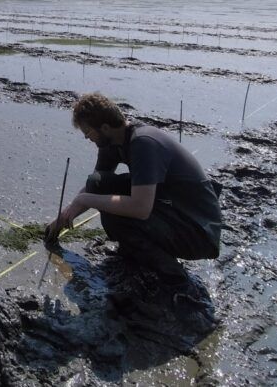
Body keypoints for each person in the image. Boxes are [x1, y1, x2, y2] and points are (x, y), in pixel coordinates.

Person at [45, 92, 222, 290]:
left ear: (104, 127)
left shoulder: (143, 143)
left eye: (88, 132)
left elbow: (140, 208)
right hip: (170, 208)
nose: (87, 137)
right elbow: (95, 185)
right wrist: (65, 215)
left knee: (114, 216)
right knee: (97, 184)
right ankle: (136, 253)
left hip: (197, 230)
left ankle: (172, 275)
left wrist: (87, 200)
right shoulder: (111, 142)